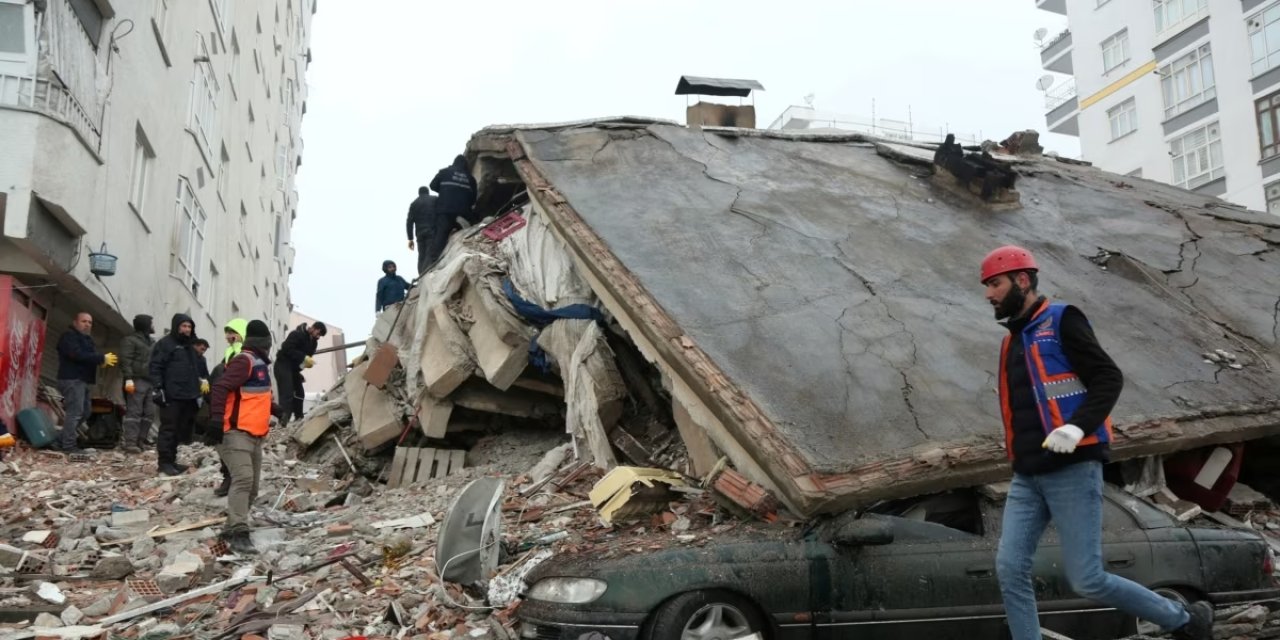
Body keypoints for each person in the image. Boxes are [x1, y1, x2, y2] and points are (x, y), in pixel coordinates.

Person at [981, 245, 1212, 640]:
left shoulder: (1062, 320)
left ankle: (1186, 620)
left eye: (995, 284)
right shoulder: (1010, 342)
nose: (989, 294)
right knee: (1009, 568)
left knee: (1087, 578)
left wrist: (1077, 428)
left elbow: (1108, 378)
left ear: (1022, 280)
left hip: (1072, 468)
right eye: (986, 286)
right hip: (1027, 476)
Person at [210, 320, 282, 555]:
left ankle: (232, 528)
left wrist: (275, 410)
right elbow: (221, 388)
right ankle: (239, 532)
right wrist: (215, 420)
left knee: (251, 488)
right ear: (263, 343)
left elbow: (255, 397)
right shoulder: (244, 361)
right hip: (235, 433)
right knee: (242, 479)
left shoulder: (260, 365)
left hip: (255, 435)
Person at [55, 312, 117, 456]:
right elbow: (77, 354)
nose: (87, 324)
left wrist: (100, 362)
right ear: (75, 322)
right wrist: (100, 358)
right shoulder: (69, 337)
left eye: (89, 322)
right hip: (72, 379)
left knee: (85, 411)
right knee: (75, 413)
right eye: (84, 321)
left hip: (83, 381)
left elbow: (88, 357)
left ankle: (61, 439)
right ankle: (68, 446)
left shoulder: (87, 339)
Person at [149, 314, 203, 476]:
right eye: (183, 326)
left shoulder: (189, 348)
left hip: (187, 396)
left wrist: (197, 392)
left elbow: (193, 370)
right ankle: (164, 463)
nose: (186, 330)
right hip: (171, 395)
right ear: (176, 326)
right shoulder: (166, 344)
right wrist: (158, 388)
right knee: (168, 429)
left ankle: (172, 461)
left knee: (179, 430)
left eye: (189, 327)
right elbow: (156, 366)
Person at [210, 319, 248, 497]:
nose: (228, 336)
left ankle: (235, 480)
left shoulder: (244, 355)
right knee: (225, 442)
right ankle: (229, 477)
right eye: (227, 332)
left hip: (241, 408)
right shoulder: (229, 353)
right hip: (228, 406)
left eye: (233, 332)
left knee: (236, 445)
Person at [274, 321, 325, 426]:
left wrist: (305, 364)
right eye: (318, 333)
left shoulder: (313, 343)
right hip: (283, 364)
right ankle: (283, 420)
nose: (318, 337)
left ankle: (298, 419)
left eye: (320, 335)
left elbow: (306, 358)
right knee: (287, 393)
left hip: (294, 369)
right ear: (313, 328)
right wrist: (303, 357)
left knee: (299, 393)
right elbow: (287, 349)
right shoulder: (297, 334)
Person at [119, 314, 155, 454]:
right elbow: (125, 360)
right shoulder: (130, 340)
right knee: (134, 412)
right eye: (151, 323)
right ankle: (130, 443)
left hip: (149, 381)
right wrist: (128, 378)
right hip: (136, 380)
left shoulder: (151, 342)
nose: (153, 326)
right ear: (146, 325)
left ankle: (141, 440)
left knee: (149, 413)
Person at [430, 154, 477, 229]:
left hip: (445, 209)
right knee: (463, 231)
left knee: (441, 234)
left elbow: (432, 186)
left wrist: (444, 192)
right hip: (463, 211)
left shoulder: (444, 172)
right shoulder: (471, 178)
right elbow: (474, 199)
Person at [407, 186, 446, 274]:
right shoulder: (434, 199)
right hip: (432, 230)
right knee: (430, 252)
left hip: (420, 233)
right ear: (428, 192)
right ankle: (426, 273)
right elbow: (442, 211)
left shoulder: (414, 204)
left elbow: (409, 222)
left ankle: (421, 274)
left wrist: (410, 239)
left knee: (421, 255)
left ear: (419, 193)